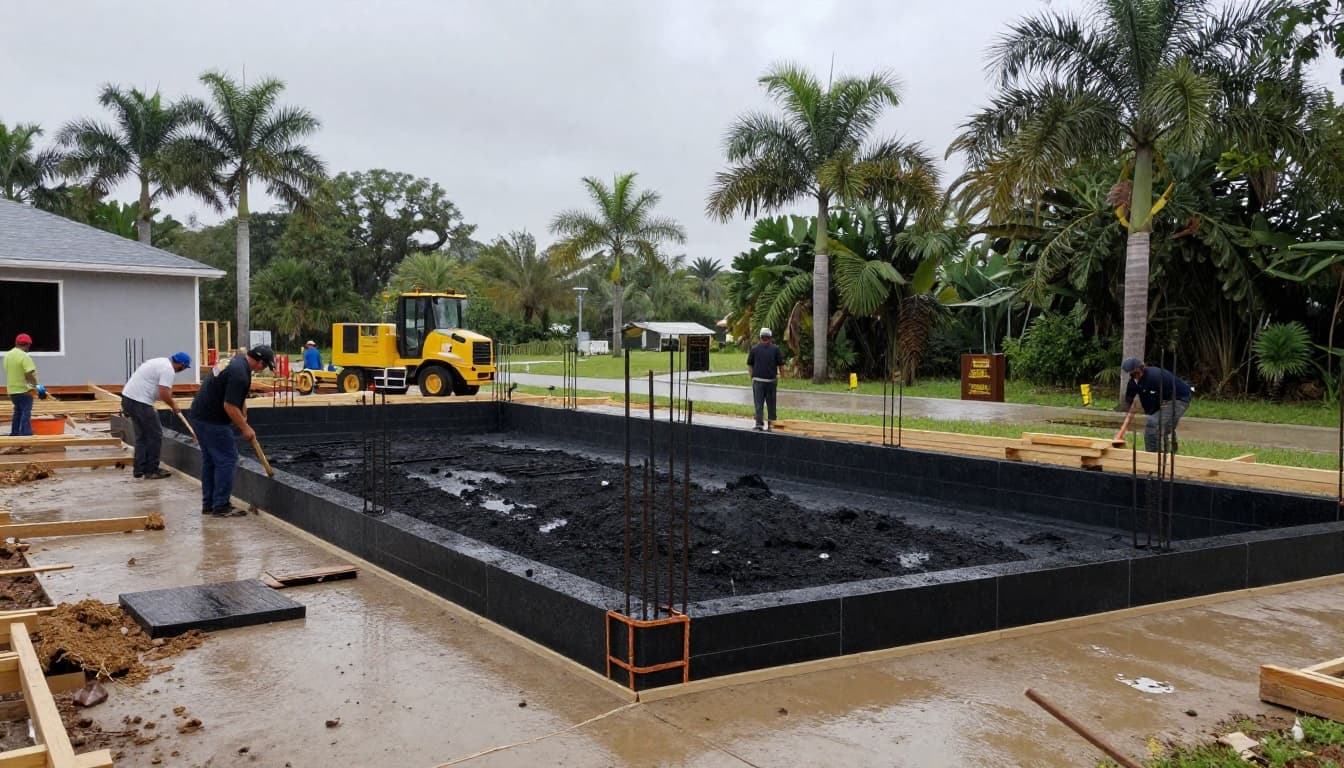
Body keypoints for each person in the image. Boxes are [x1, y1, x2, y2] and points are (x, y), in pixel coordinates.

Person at [188, 345, 274, 517]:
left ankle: (209, 504)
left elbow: (229, 393)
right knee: (227, 459)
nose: (263, 370)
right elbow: (229, 406)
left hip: (199, 414)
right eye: (265, 366)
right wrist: (245, 428)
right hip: (212, 420)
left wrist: (242, 405)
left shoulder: (234, 362)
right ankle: (221, 506)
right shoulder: (240, 374)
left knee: (211, 461)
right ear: (260, 362)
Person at [121, 352, 191, 479]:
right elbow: (164, 394)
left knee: (142, 435)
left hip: (127, 398)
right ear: (181, 365)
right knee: (155, 434)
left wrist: (169, 398)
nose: (182, 370)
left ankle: (139, 468)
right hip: (140, 402)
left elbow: (161, 391)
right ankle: (151, 470)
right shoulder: (168, 369)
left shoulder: (159, 361)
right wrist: (173, 405)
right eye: (184, 368)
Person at [1117, 357, 1193, 452]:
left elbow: (1155, 406)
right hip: (1163, 399)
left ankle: (1152, 456)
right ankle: (1167, 453)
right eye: (1133, 374)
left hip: (1179, 398)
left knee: (1153, 423)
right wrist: (1121, 432)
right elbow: (1131, 404)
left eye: (1138, 373)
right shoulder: (1133, 383)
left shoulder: (1154, 377)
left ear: (1142, 368)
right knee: (1160, 425)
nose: (1137, 376)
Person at [5, 333, 45, 436]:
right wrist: (38, 388)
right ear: (27, 344)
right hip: (24, 391)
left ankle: (15, 433)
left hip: (12, 391)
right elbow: (29, 374)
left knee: (17, 412)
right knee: (25, 413)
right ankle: (26, 434)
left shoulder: (8, 355)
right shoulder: (24, 357)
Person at [746, 327, 785, 431]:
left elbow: (749, 365)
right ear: (770, 338)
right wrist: (782, 376)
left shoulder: (754, 349)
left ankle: (759, 425)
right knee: (771, 404)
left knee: (758, 404)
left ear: (760, 337)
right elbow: (781, 365)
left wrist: (752, 377)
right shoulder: (776, 349)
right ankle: (771, 425)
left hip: (757, 381)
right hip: (771, 381)